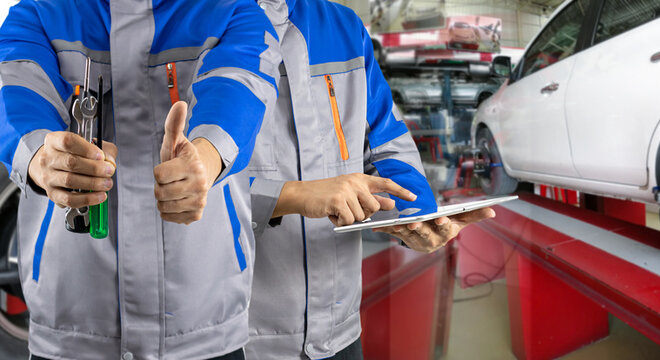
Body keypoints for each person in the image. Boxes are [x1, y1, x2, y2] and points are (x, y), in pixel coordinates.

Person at [0, 0, 278, 358]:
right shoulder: (38, 12)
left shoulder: (234, 11)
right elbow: (14, 94)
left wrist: (205, 160)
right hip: (71, 326)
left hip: (204, 327)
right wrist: (42, 157)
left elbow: (241, 91)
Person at [247, 1, 495, 359]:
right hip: (234, 335)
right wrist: (287, 197)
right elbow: (159, 188)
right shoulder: (183, 23)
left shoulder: (344, 27)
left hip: (339, 330)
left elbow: (387, 143)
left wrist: (416, 217)